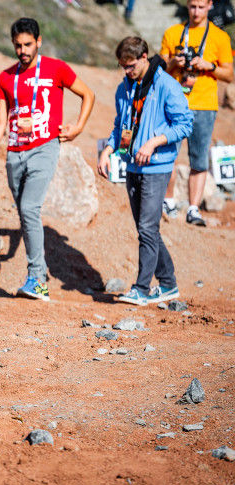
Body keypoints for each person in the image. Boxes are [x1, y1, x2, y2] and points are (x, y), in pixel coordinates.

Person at [0, 17, 94, 301]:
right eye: (18, 45)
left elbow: (87, 94)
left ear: (38, 42)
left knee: (29, 208)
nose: (23, 50)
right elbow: (0, 121)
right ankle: (36, 275)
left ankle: (37, 278)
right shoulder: (6, 77)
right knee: (25, 215)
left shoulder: (56, 68)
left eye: (28, 44)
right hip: (14, 152)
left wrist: (78, 127)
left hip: (44, 147)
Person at [98, 37, 193, 306]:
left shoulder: (166, 85)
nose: (127, 71)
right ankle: (169, 283)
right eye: (122, 66)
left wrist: (154, 141)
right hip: (132, 165)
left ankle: (141, 288)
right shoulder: (125, 87)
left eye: (130, 66)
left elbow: (185, 124)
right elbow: (120, 125)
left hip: (157, 167)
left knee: (147, 227)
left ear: (144, 57)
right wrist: (108, 149)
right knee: (147, 229)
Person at [160, 0, 233, 226]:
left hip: (204, 104)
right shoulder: (173, 33)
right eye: (192, 6)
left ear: (210, 5)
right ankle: (167, 202)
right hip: (175, 102)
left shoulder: (220, 37)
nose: (196, 12)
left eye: (201, 7)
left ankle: (193, 209)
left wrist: (208, 66)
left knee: (199, 159)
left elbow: (229, 74)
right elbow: (160, 68)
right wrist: (174, 61)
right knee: (167, 155)